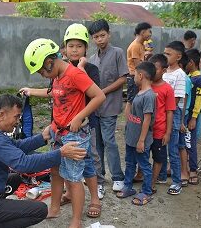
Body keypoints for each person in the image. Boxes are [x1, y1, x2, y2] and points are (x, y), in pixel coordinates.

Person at [0, 94, 86, 228]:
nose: (18, 121)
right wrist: (60, 153)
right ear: (2, 114)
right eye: (16, 116)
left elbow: (16, 146)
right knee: (40, 210)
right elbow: (23, 163)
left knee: (14, 179)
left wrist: (41, 138)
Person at [19, 38, 105, 228]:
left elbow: (99, 96)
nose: (42, 75)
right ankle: (55, 208)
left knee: (74, 179)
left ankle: (76, 220)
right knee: (55, 172)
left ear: (50, 61)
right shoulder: (56, 77)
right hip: (58, 132)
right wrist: (51, 122)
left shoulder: (75, 74)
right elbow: (55, 95)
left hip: (74, 134)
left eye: (42, 70)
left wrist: (79, 117)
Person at [61, 23, 106, 207]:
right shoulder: (61, 67)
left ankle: (95, 198)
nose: (74, 50)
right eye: (71, 46)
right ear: (65, 48)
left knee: (89, 158)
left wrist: (80, 69)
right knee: (66, 158)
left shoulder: (91, 69)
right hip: (66, 122)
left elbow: (92, 94)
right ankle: (70, 193)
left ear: (86, 48)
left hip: (86, 122)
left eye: (79, 46)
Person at [87, 19, 129, 193]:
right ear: (92, 39)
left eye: (102, 35)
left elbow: (123, 78)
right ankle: (99, 180)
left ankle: (118, 177)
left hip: (110, 106)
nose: (100, 40)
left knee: (109, 141)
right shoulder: (91, 59)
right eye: (96, 37)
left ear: (109, 34)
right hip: (94, 108)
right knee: (96, 146)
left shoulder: (118, 53)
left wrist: (102, 92)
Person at [116, 61, 156, 205]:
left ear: (141, 75)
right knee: (129, 162)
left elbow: (147, 120)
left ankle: (146, 191)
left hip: (141, 140)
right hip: (131, 138)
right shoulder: (139, 92)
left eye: (134, 75)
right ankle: (128, 187)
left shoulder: (149, 96)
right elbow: (130, 115)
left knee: (144, 165)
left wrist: (141, 140)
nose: (132, 78)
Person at [161, 42, 189, 194]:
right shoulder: (164, 72)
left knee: (173, 148)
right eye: (164, 53)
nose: (165, 56)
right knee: (161, 146)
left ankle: (177, 182)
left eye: (168, 54)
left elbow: (176, 100)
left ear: (178, 57)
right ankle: (162, 176)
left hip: (173, 113)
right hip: (162, 112)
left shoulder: (180, 75)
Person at [149, 53, 174, 191]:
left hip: (159, 130)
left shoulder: (167, 89)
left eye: (156, 69)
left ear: (164, 70)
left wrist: (168, 132)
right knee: (143, 155)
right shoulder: (146, 85)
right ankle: (143, 177)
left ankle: (153, 182)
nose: (152, 72)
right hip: (146, 130)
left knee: (158, 158)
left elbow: (170, 111)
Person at [185, 49, 201, 186]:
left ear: (191, 63)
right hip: (185, 115)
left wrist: (194, 118)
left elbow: (199, 100)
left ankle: (193, 170)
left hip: (191, 117)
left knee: (190, 143)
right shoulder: (189, 77)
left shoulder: (200, 80)